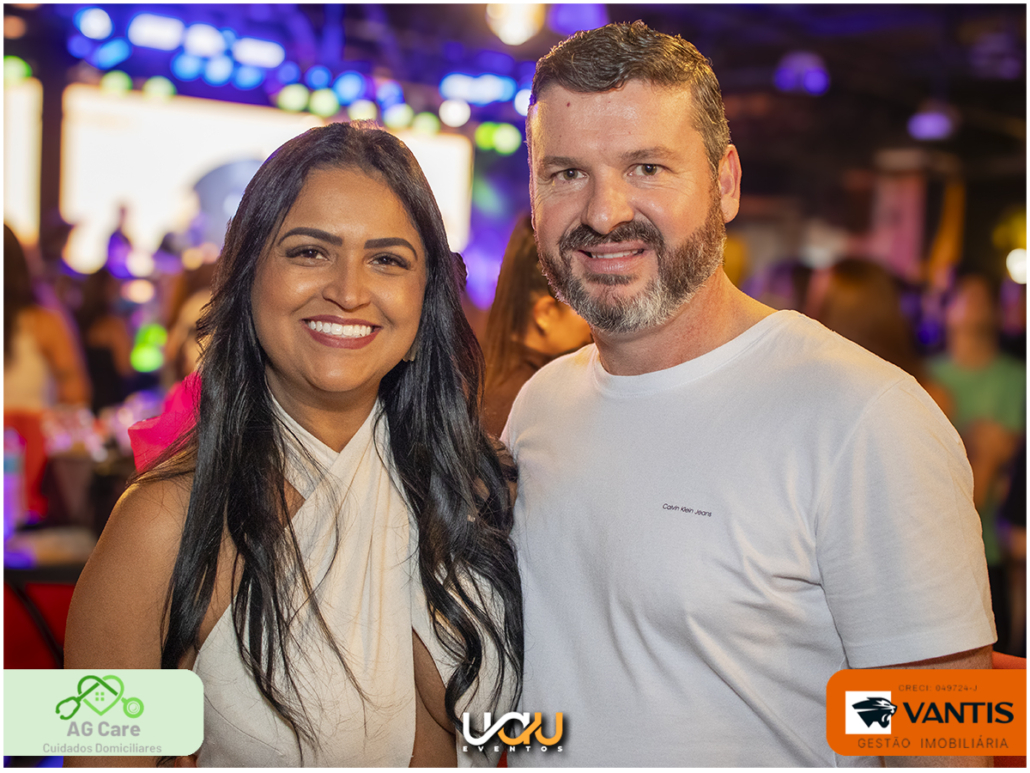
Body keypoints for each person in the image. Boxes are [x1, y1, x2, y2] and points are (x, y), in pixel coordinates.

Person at [502, 22, 994, 767]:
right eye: (566, 173)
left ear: (725, 183)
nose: (603, 213)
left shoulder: (864, 418)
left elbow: (945, 740)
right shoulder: (541, 406)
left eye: (646, 167)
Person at [64, 122, 523, 767]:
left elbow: (545, 728)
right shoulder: (158, 526)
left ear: (427, 296)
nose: (349, 291)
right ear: (248, 273)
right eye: (310, 252)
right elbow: (94, 755)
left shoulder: (479, 489)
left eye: (387, 260)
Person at [929, 273, 1026, 654]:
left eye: (984, 298)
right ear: (946, 310)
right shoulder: (925, 376)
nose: (975, 305)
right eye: (965, 297)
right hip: (938, 547)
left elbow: (1007, 453)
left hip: (996, 545)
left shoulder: (1018, 378)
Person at [4, 224, 91, 517]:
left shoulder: (42, 320)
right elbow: (77, 394)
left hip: (29, 453)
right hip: (32, 454)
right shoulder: (43, 322)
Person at [482, 215, 592, 436]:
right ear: (545, 313)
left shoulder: (490, 386)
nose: (594, 321)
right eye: (584, 302)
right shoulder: (531, 401)